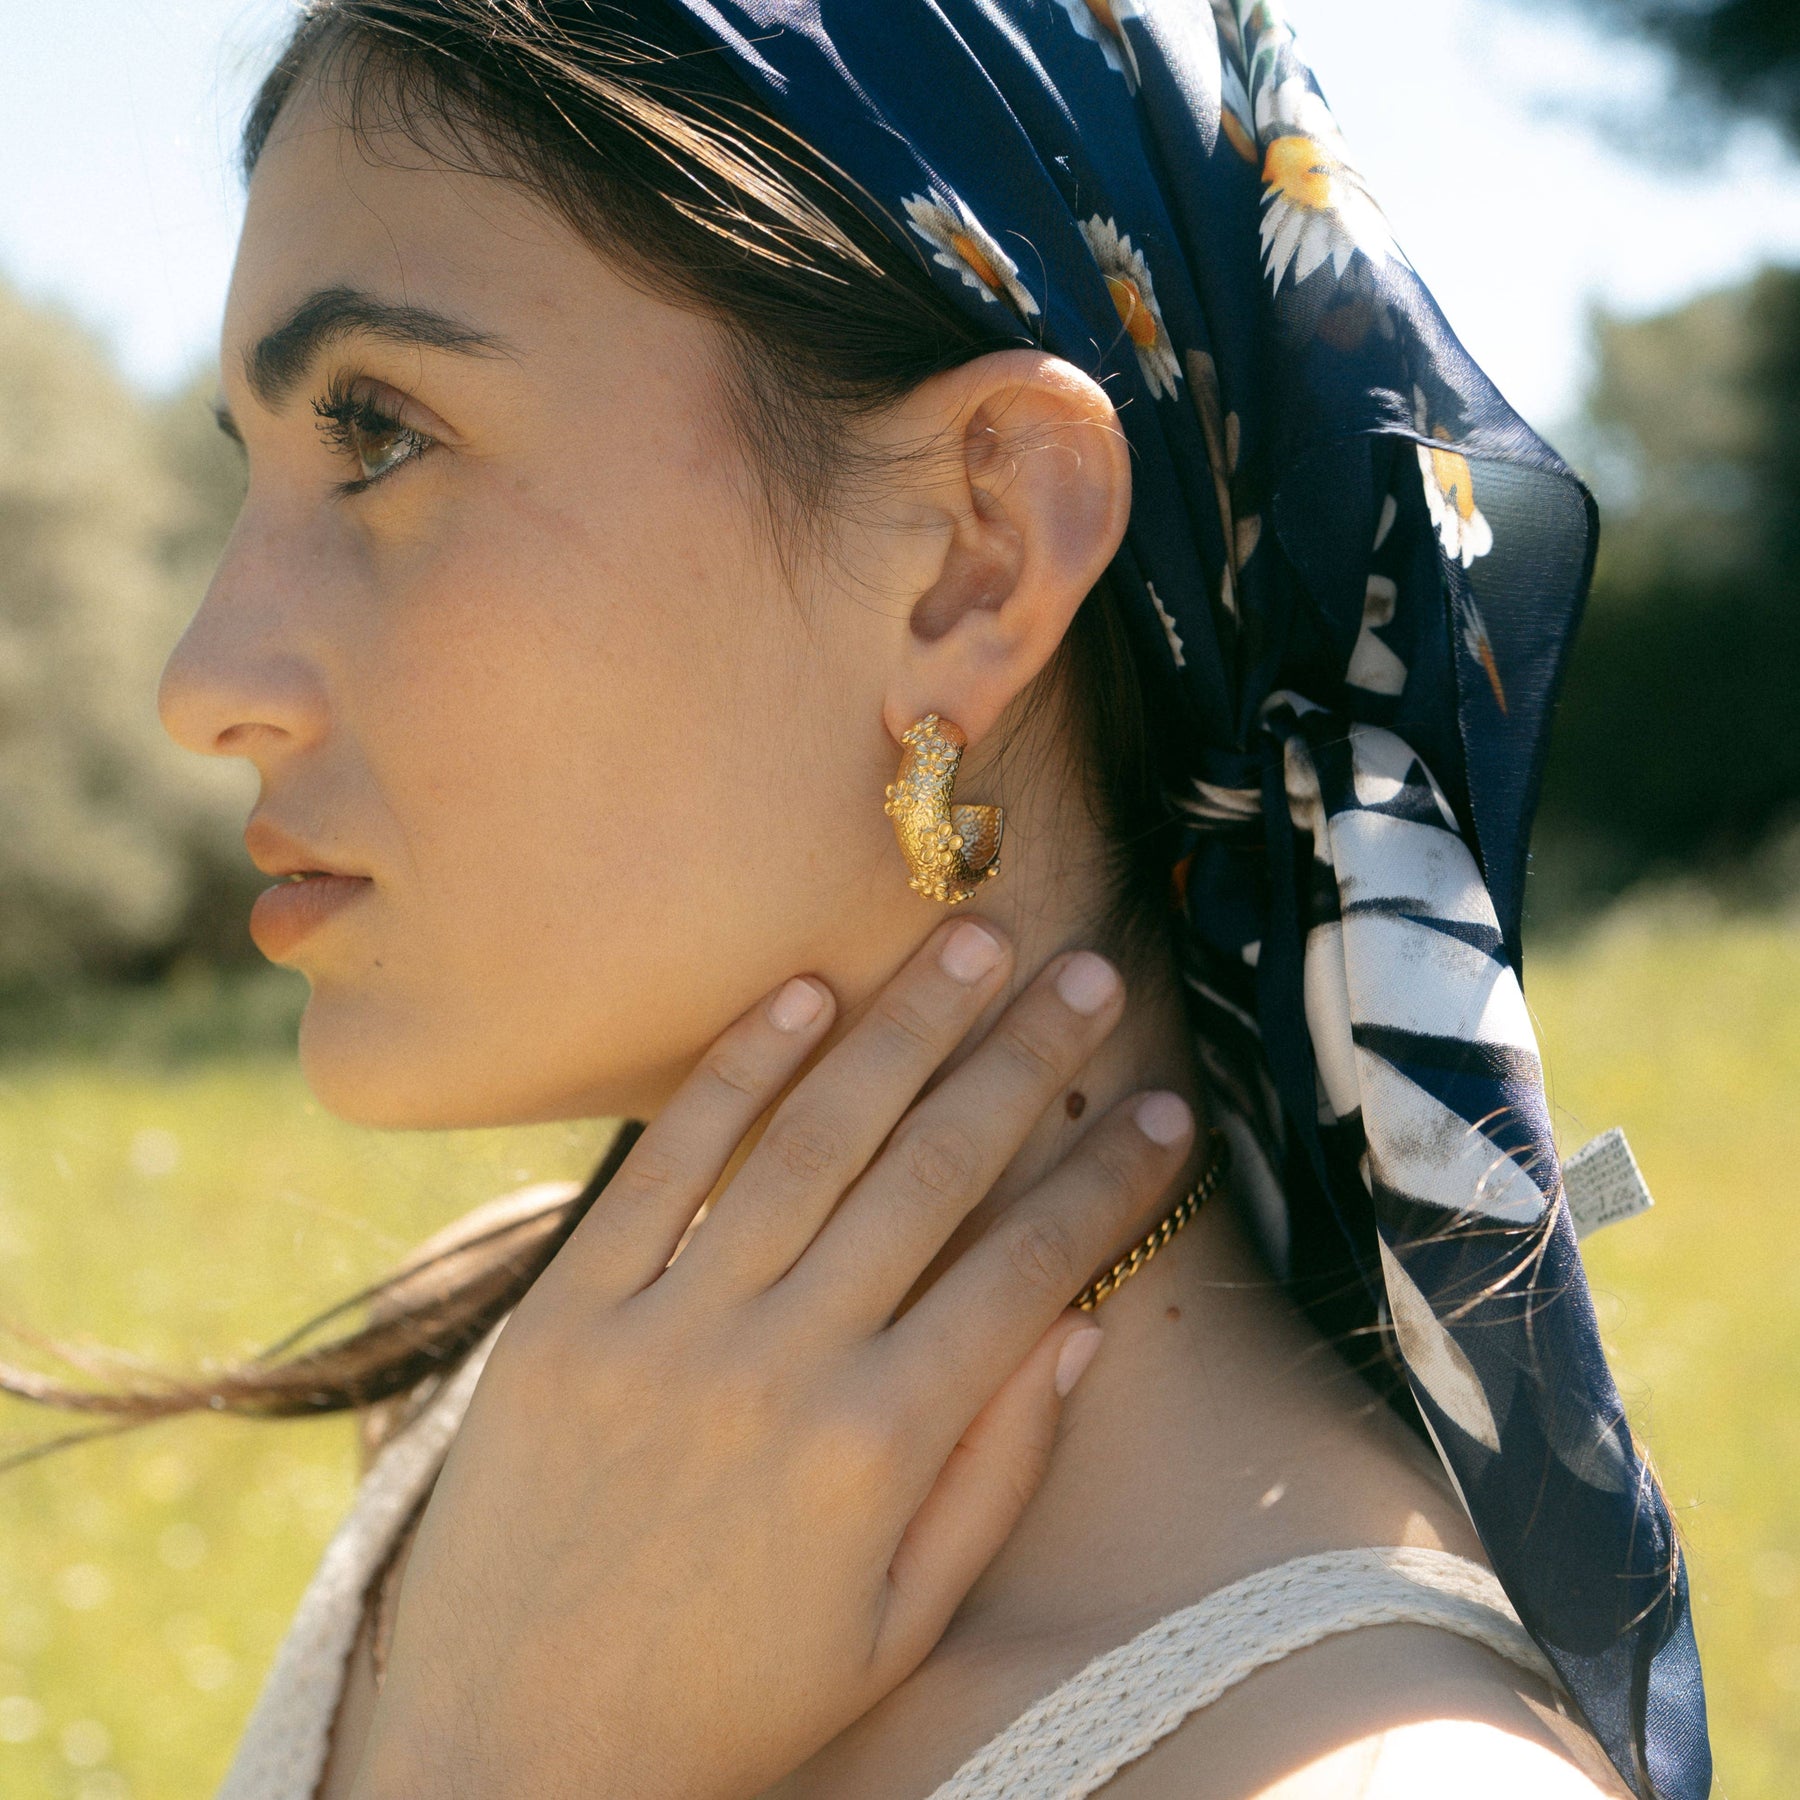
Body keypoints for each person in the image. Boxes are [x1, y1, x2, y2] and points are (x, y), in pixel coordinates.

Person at [122, 0, 1714, 1795]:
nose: (203, 683)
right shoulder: (541, 1386)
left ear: (977, 548)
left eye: (381, 435)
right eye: (253, 470)